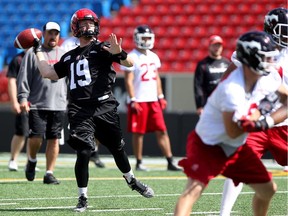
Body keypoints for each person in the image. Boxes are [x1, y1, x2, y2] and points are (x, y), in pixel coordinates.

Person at [33, 8, 154, 212]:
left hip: (104, 105)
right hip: (79, 109)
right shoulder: (69, 56)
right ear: (75, 28)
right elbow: (48, 73)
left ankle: (131, 180)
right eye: (84, 23)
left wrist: (120, 53)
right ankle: (82, 197)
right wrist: (37, 49)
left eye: (91, 23)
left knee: (117, 149)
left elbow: (130, 64)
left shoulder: (104, 48)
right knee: (84, 150)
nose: (88, 26)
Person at [174, 31, 285, 216]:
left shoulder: (267, 79)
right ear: (252, 57)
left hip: (236, 147)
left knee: (268, 189)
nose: (271, 61)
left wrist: (269, 119)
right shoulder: (232, 88)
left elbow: (287, 99)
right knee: (193, 191)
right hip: (208, 144)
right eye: (266, 56)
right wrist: (258, 121)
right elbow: (232, 131)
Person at [220, 7, 288, 216]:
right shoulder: (254, 46)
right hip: (255, 122)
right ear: (272, 28)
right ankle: (224, 213)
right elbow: (227, 79)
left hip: (283, 122)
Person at [121, 25, 181, 171]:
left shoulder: (154, 56)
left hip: (153, 99)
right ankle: (139, 161)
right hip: (139, 100)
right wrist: (133, 98)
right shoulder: (132, 57)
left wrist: (160, 96)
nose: (147, 40)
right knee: (138, 132)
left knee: (162, 130)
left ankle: (170, 161)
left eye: (149, 38)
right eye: (144, 38)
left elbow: (156, 78)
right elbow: (128, 80)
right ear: (137, 38)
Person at [17, 22, 67, 184]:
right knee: (35, 138)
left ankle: (49, 172)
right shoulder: (32, 53)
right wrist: (23, 98)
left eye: (56, 33)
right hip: (38, 103)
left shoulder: (64, 54)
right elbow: (23, 77)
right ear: (43, 34)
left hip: (59, 104)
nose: (53, 36)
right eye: (50, 33)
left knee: (54, 139)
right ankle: (31, 160)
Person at [61, 34, 105, 168]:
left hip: (93, 90)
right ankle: (83, 150)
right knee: (79, 123)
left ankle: (94, 151)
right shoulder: (67, 45)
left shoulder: (94, 43)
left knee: (99, 123)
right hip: (76, 91)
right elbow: (63, 67)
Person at [194, 35, 230, 115]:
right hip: (208, 104)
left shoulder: (227, 64)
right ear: (209, 46)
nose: (217, 48)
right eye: (214, 45)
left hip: (225, 103)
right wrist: (199, 105)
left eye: (219, 45)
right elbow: (198, 86)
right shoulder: (202, 65)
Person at [6, 50, 29, 171]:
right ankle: (13, 159)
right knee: (21, 131)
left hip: (38, 100)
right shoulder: (18, 59)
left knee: (35, 134)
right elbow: (11, 81)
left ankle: (30, 161)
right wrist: (14, 101)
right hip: (23, 100)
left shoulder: (41, 57)